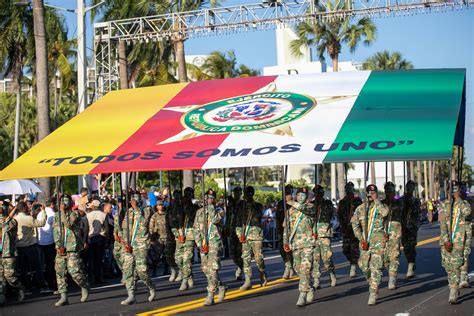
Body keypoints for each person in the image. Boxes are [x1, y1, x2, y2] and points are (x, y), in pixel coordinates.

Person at [351, 184, 389, 306]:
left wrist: (376, 200)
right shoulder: (360, 209)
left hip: (378, 242)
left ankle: (373, 292)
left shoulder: (381, 206)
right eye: (369, 193)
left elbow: (385, 213)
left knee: (375, 267)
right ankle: (372, 282)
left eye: (373, 192)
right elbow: (354, 224)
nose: (371, 194)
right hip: (365, 243)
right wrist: (360, 238)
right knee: (364, 266)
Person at [438, 180, 471, 304]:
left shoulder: (464, 204)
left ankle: (453, 290)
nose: (455, 192)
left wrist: (459, 200)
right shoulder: (443, 205)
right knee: (448, 266)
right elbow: (442, 223)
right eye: (453, 190)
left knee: (456, 264)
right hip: (445, 240)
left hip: (458, 240)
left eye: (457, 190)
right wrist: (446, 240)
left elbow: (467, 212)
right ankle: (453, 284)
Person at [53, 195, 89, 307]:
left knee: (75, 272)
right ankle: (63, 296)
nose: (63, 203)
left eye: (66, 201)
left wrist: (62, 211)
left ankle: (84, 286)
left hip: (72, 247)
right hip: (61, 248)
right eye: (62, 201)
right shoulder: (57, 215)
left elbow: (68, 224)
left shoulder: (75, 213)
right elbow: (55, 230)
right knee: (60, 272)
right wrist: (57, 245)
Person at [120, 192, 155, 305]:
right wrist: (125, 242)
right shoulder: (128, 212)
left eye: (137, 199)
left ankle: (150, 286)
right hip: (129, 245)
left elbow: (144, 222)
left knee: (141, 270)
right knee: (128, 270)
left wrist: (136, 208)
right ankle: (131, 295)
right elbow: (125, 229)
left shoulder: (146, 210)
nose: (135, 201)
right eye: (133, 199)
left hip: (141, 244)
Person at [193, 189, 226, 306]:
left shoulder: (219, 211)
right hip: (203, 244)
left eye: (212, 198)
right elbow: (196, 229)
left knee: (213, 268)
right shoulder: (199, 212)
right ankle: (221, 285)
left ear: (215, 200)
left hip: (214, 243)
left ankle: (210, 295)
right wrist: (198, 243)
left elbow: (215, 220)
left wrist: (211, 208)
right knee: (206, 270)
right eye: (208, 198)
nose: (209, 200)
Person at [283, 187, 315, 306]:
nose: (301, 197)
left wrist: (290, 201)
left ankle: (302, 293)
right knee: (298, 269)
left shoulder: (310, 208)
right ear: (296, 196)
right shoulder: (290, 211)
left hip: (308, 243)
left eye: (303, 196)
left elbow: (303, 208)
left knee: (306, 268)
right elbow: (286, 229)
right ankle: (309, 287)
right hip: (295, 244)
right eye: (299, 195)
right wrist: (285, 243)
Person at [236, 186, 267, 291]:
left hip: (256, 235)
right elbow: (238, 222)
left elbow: (258, 215)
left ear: (252, 194)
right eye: (246, 193)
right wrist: (239, 234)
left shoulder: (258, 205)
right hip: (245, 236)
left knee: (258, 258)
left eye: (250, 193)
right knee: (246, 258)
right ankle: (248, 280)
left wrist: (250, 205)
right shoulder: (240, 207)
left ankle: (262, 272)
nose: (248, 195)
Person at [14, 201, 48, 294]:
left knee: (23, 268)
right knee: (37, 266)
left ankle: (26, 288)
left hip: (19, 246)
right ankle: (42, 286)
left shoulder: (15, 219)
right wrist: (44, 212)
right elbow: (41, 223)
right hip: (30, 246)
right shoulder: (28, 218)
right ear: (25, 208)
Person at [172, 188, 199, 291]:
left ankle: (184, 280)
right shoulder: (178, 208)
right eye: (186, 195)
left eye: (189, 195)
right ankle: (188, 274)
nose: (187, 197)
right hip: (179, 236)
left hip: (190, 237)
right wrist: (177, 234)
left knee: (187, 259)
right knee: (178, 259)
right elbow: (173, 223)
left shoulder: (195, 209)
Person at [312, 185, 336, 289]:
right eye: (316, 193)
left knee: (327, 258)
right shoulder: (311, 205)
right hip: (313, 234)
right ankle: (317, 280)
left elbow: (332, 216)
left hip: (324, 233)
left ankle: (331, 272)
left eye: (319, 193)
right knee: (315, 259)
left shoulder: (327, 203)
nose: (318, 195)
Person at [0, 203, 25, 305]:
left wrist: (8, 217)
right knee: (0, 276)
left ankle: (20, 288)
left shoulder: (12, 222)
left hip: (8, 253)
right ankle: (2, 295)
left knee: (10, 276)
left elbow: (5, 227)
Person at [337, 182, 362, 278]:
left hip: (355, 228)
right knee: (345, 249)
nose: (349, 190)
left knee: (354, 248)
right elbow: (339, 215)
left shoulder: (357, 201)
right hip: (345, 228)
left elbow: (361, 213)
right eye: (347, 188)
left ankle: (353, 266)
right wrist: (343, 226)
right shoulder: (343, 202)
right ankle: (352, 261)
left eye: (350, 188)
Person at [150, 199, 178, 281]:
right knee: (156, 255)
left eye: (162, 205)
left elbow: (171, 225)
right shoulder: (154, 216)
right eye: (159, 205)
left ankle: (167, 269)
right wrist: (152, 237)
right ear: (156, 206)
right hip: (158, 239)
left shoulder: (167, 215)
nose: (161, 206)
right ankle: (154, 270)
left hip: (167, 238)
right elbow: (151, 227)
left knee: (167, 255)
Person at [382, 182, 402, 290]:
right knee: (385, 258)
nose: (390, 194)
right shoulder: (382, 204)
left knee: (394, 255)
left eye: (391, 191)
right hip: (383, 231)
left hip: (395, 231)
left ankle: (392, 278)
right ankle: (390, 270)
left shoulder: (398, 203)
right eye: (388, 192)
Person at [401, 180, 421, 278]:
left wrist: (415, 226)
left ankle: (411, 265)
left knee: (411, 246)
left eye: (411, 187)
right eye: (408, 187)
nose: (410, 189)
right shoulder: (402, 199)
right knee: (405, 247)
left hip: (412, 227)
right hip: (403, 227)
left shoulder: (416, 200)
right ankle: (411, 261)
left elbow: (417, 213)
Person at [86, 199, 109, 284]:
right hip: (100, 238)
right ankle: (98, 277)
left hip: (91, 238)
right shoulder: (103, 215)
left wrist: (85, 240)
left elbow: (86, 229)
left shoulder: (88, 215)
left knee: (91, 259)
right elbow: (106, 229)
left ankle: (90, 277)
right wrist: (107, 240)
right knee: (99, 259)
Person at [38, 197, 57, 292]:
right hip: (50, 242)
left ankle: (44, 283)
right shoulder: (53, 214)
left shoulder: (40, 213)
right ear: (52, 204)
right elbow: (55, 228)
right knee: (50, 264)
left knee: (43, 264)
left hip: (41, 242)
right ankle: (51, 284)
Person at [225, 186, 244, 280]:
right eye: (235, 192)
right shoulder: (230, 204)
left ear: (241, 194)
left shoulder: (242, 203)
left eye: (238, 192)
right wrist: (226, 227)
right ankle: (239, 266)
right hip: (232, 229)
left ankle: (240, 270)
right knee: (232, 253)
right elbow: (228, 216)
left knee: (240, 251)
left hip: (240, 230)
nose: (236, 194)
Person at [277, 185, 295, 279]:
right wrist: (279, 230)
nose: (287, 194)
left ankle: (290, 267)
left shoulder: (294, 203)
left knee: (291, 250)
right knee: (282, 249)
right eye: (285, 192)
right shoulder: (280, 204)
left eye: (288, 192)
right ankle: (288, 265)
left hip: (293, 231)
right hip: (283, 230)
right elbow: (277, 218)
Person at [459, 181, 472, 288]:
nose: (461, 190)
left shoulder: (470, 200)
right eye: (460, 188)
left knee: (465, 252)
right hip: (455, 232)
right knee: (456, 254)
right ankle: (457, 275)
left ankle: (463, 276)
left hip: (467, 229)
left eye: (463, 188)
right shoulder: (451, 202)